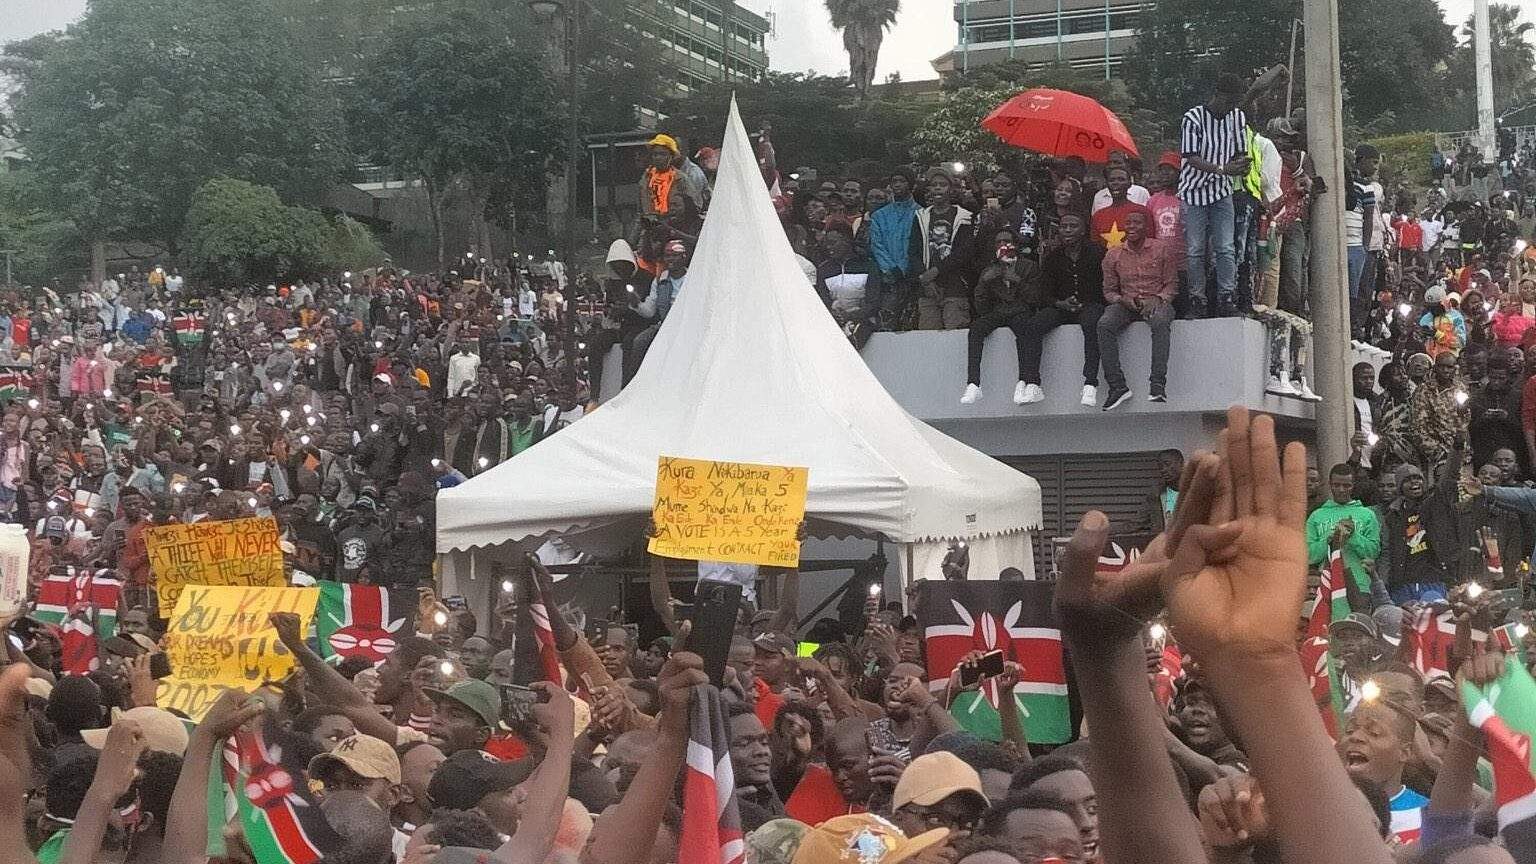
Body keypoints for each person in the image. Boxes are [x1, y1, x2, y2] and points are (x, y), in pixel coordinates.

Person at [1178, 73, 1250, 318]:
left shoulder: (1237, 117)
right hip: (1194, 190)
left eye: (1235, 102)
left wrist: (1243, 164)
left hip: (1221, 190)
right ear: (1217, 95)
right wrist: (1222, 168)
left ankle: (1226, 297)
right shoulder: (1193, 118)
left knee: (1226, 247)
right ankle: (1197, 299)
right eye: (1229, 101)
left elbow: (1240, 151)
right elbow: (1191, 156)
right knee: (1196, 249)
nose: (1231, 107)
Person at [1096, 207, 1176, 409]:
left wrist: (1158, 298)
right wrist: (1123, 300)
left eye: (1137, 223)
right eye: (1128, 223)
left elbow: (1172, 284)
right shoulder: (1113, 255)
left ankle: (1157, 385)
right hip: (1126, 304)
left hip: (1157, 301)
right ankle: (1117, 386)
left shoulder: (1161, 249)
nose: (1131, 227)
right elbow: (1109, 291)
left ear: (1146, 227)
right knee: (1104, 324)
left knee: (1160, 322)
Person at [1304, 464, 1381, 609]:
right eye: (1336, 485)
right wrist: (1328, 538)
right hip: (1326, 583)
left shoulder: (1367, 514)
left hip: (1359, 583)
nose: (1341, 490)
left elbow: (1373, 551)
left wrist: (1353, 536)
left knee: (1357, 629)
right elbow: (1308, 555)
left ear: (1353, 486)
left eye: (1347, 485)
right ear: (1329, 485)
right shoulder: (1316, 515)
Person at [909, 169, 975, 330]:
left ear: (951, 189)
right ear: (929, 189)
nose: (938, 188)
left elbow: (964, 252)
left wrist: (936, 271)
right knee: (928, 338)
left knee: (955, 337)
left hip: (955, 287)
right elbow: (913, 251)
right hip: (927, 289)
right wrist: (925, 279)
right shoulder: (920, 216)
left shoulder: (964, 217)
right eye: (934, 185)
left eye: (943, 185)